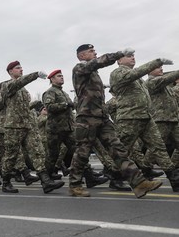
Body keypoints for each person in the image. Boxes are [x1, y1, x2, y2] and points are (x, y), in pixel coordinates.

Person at [69, 44, 162, 198]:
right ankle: (75, 185)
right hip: (86, 118)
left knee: (118, 149)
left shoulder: (94, 74)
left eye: (95, 51)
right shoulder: (79, 68)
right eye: (91, 51)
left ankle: (139, 183)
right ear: (81, 56)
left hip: (102, 117)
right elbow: (98, 62)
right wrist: (118, 54)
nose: (95, 53)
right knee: (82, 153)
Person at [110, 52, 179, 190]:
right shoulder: (117, 73)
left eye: (133, 56)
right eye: (129, 56)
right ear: (119, 60)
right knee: (123, 150)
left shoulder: (138, 79)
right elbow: (135, 73)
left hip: (146, 117)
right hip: (130, 117)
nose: (132, 57)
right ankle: (114, 177)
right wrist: (156, 61)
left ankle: (174, 179)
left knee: (159, 148)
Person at [0, 61, 64, 194]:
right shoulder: (7, 86)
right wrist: (35, 75)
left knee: (37, 152)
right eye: (18, 68)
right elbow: (19, 83)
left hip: (27, 126)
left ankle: (45, 182)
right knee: (11, 156)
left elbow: (25, 108)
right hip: (13, 126)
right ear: (10, 72)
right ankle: (6, 182)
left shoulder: (24, 91)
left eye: (21, 68)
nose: (21, 69)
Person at [147, 65, 179, 177]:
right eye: (158, 68)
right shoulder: (151, 82)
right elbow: (167, 79)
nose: (161, 69)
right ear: (149, 70)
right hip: (161, 120)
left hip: (173, 120)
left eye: (161, 67)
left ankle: (174, 169)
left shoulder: (166, 86)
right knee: (156, 148)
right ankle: (146, 169)